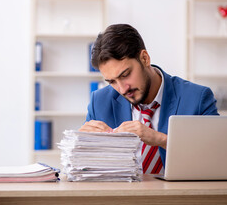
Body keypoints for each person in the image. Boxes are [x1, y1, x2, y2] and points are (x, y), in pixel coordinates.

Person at [79, 24, 219, 174]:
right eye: (112, 82)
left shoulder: (197, 98)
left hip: (180, 196)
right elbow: (84, 170)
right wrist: (81, 145)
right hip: (121, 195)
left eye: (125, 75)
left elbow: (217, 156)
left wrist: (161, 140)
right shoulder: (99, 102)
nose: (122, 89)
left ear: (144, 58)